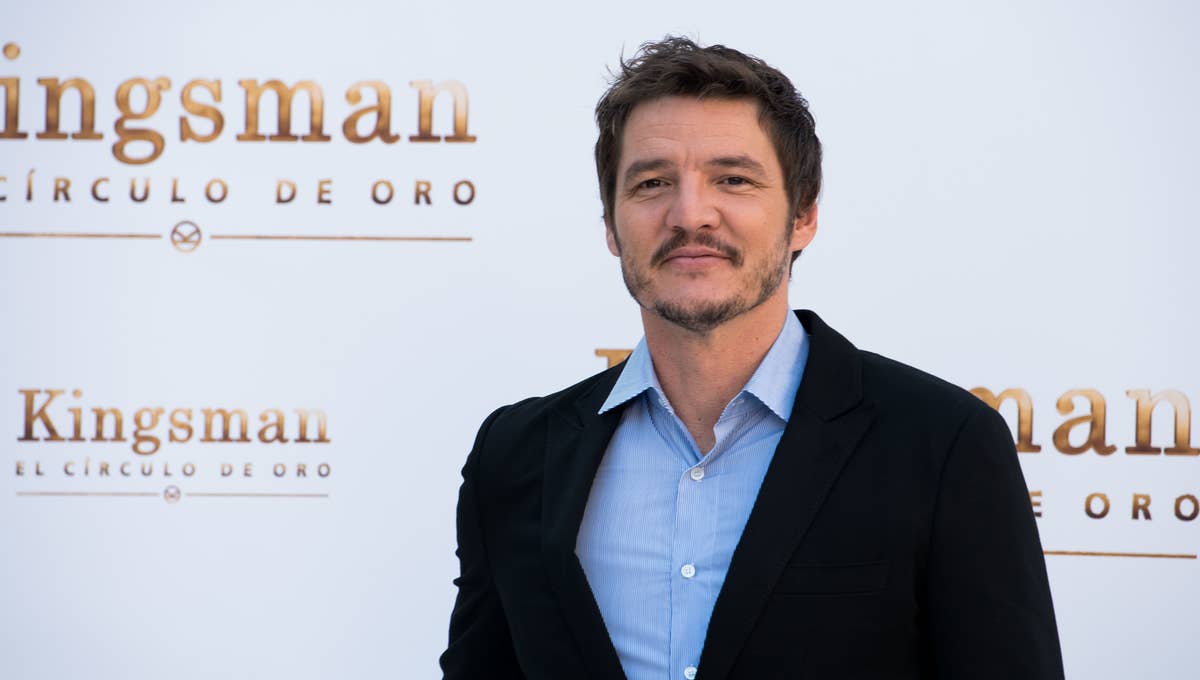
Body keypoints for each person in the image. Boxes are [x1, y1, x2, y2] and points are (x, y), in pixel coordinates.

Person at [440, 36, 1064, 680]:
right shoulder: (515, 455)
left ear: (803, 217)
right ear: (611, 225)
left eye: (733, 180)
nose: (690, 214)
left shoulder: (943, 444)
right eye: (652, 183)